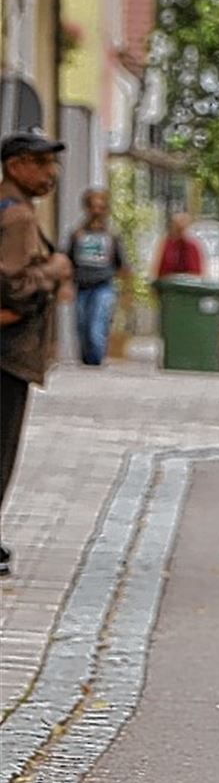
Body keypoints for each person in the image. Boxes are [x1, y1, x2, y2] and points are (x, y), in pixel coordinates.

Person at [0, 128, 73, 578]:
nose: (52, 173)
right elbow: (14, 288)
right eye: (42, 163)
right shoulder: (17, 217)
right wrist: (55, 269)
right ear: (16, 166)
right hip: (6, 354)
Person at [66, 187, 130, 366]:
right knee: (82, 326)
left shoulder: (111, 236)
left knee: (96, 326)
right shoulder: (77, 235)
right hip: (82, 286)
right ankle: (87, 361)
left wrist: (125, 291)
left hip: (104, 285)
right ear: (86, 208)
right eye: (93, 206)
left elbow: (121, 263)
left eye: (101, 207)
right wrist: (65, 285)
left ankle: (96, 361)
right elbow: (68, 261)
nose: (96, 211)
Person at [152, 213, 204, 280]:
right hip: (168, 285)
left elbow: (196, 272)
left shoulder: (192, 246)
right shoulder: (166, 244)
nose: (180, 231)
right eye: (177, 227)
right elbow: (159, 268)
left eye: (182, 228)